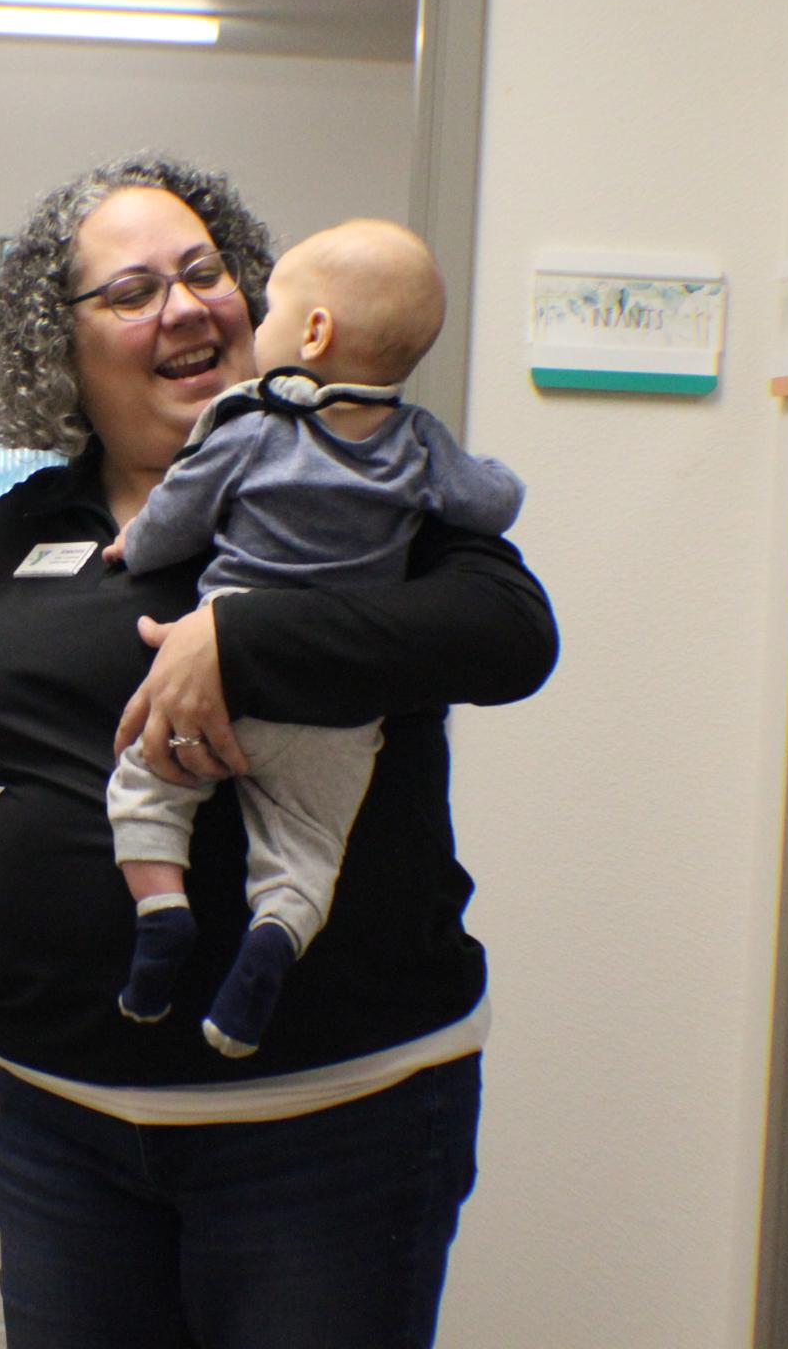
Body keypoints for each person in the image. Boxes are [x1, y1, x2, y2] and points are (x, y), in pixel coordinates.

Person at [0, 153, 556, 1349]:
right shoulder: (34, 521)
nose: (183, 306)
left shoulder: (355, 471)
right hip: (64, 1121)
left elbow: (508, 634)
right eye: (130, 292)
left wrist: (248, 635)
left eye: (204, 272)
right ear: (59, 349)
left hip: (330, 1121)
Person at [102, 220, 524, 1059]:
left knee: (146, 792)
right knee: (307, 852)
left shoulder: (252, 425)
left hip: (234, 691)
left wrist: (135, 548)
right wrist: (504, 476)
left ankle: (162, 916)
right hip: (336, 720)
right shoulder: (418, 442)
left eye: (266, 310)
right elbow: (490, 502)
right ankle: (270, 949)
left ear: (315, 333)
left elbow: (177, 516)